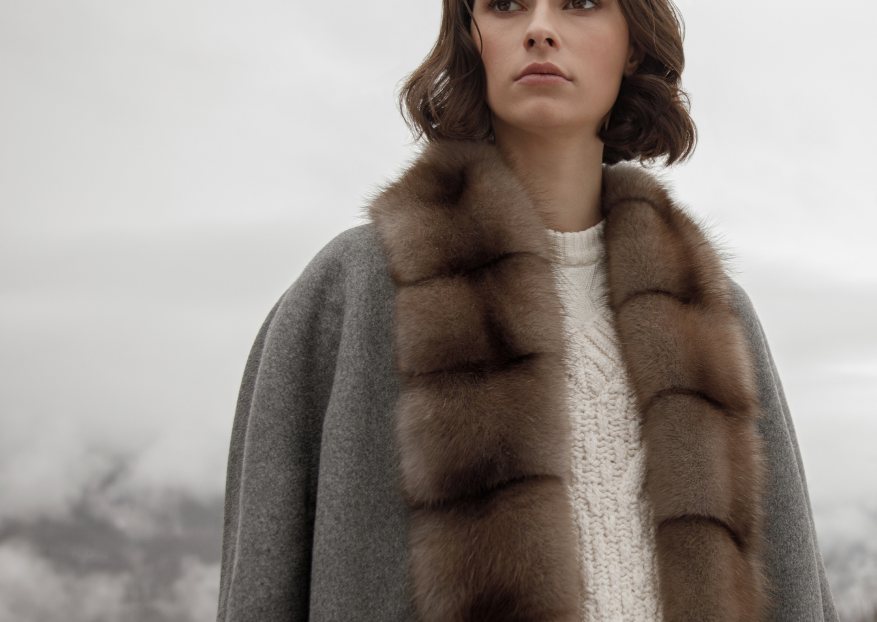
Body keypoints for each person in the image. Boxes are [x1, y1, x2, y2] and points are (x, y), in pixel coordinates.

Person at [217, 0, 837, 620]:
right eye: (506, 4)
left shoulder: (714, 316)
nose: (540, 29)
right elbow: (261, 590)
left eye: (581, 3)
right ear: (471, 38)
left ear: (634, 45)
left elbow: (793, 590)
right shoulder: (354, 294)